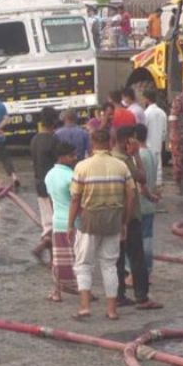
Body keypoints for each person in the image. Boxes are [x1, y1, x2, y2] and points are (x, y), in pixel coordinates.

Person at [69, 129, 134, 321]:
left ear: (92, 143)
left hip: (89, 219)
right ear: (110, 142)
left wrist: (70, 224)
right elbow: (131, 196)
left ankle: (84, 307)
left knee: (83, 264)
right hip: (114, 219)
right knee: (110, 265)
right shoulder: (120, 166)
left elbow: (75, 199)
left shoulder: (82, 166)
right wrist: (125, 221)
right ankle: (112, 310)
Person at [112, 125, 162, 310]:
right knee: (137, 256)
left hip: (114, 214)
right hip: (130, 215)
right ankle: (142, 297)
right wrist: (136, 155)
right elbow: (142, 177)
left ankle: (118, 294)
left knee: (117, 257)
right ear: (128, 141)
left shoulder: (112, 158)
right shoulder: (125, 161)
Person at [44, 141, 79, 301]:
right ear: (62, 157)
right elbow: (76, 201)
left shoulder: (49, 175)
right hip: (74, 223)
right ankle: (83, 290)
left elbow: (51, 200)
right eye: (71, 155)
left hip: (57, 220)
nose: (75, 158)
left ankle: (57, 292)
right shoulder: (72, 176)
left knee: (59, 260)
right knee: (80, 260)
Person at [30, 107, 59, 264]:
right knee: (56, 221)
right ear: (54, 122)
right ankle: (48, 254)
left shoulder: (34, 140)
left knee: (47, 222)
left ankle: (47, 252)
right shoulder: (54, 141)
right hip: (52, 186)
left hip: (39, 184)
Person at [134, 124, 160, 278]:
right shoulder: (151, 154)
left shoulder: (139, 157)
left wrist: (149, 195)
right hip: (150, 204)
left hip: (141, 203)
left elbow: (141, 185)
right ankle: (148, 270)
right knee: (148, 239)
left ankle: (138, 272)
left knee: (139, 241)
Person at [142, 90, 167, 188]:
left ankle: (151, 183)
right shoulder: (162, 113)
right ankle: (159, 182)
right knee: (158, 164)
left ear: (147, 100)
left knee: (149, 166)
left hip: (148, 143)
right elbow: (164, 130)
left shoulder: (146, 113)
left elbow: (144, 129)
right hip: (158, 143)